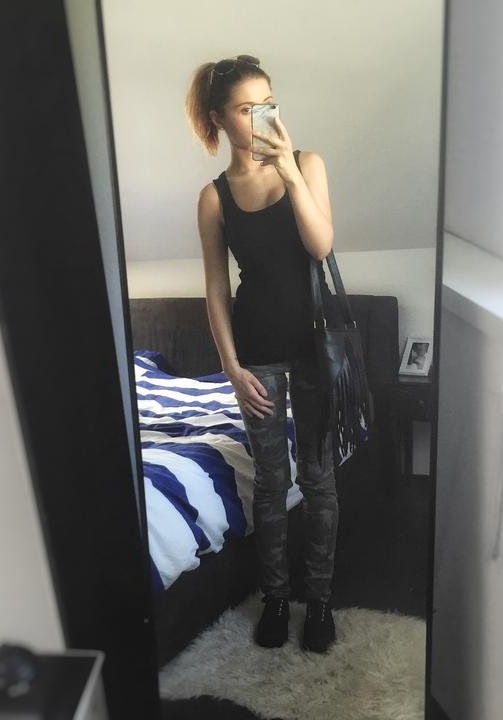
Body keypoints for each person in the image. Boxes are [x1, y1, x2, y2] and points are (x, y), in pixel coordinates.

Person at [185, 55, 338, 653]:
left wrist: (291, 175)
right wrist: (229, 366)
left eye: (267, 103)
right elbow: (216, 288)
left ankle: (319, 601)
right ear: (220, 118)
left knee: (319, 480)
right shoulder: (214, 198)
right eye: (246, 109)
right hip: (256, 354)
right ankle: (276, 598)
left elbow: (320, 246)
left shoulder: (308, 164)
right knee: (271, 483)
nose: (260, 118)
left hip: (315, 349)